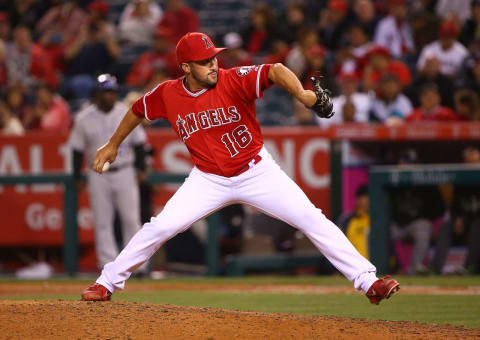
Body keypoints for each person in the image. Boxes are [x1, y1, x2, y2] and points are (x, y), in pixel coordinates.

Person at [81, 32, 399, 305]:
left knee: (310, 217)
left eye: (214, 57)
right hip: (207, 179)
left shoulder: (234, 79)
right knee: (160, 227)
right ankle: (106, 283)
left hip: (257, 171)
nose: (214, 64)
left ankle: (368, 281)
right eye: (205, 61)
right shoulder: (168, 94)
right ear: (186, 67)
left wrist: (303, 94)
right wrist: (112, 145)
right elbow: (137, 110)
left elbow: (274, 70)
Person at [69, 74, 147, 270]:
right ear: (96, 94)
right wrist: (77, 177)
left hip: (125, 170)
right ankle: (107, 265)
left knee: (131, 219)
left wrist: (141, 168)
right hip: (98, 174)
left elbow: (139, 144)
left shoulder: (126, 112)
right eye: (105, 92)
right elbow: (77, 149)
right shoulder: (83, 117)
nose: (109, 96)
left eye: (112, 92)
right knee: (103, 221)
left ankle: (136, 265)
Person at [337, 185, 371, 259]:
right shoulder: (347, 220)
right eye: (362, 197)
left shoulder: (378, 220)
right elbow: (337, 247)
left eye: (367, 197)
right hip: (354, 267)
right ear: (357, 200)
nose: (365, 201)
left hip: (377, 267)